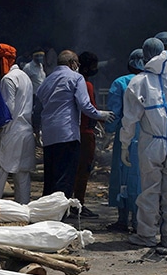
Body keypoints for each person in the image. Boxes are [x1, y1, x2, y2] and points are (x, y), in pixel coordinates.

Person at [116, 37, 167, 249]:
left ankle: (147, 235)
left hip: (151, 144)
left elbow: (130, 119)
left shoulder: (139, 82)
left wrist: (124, 144)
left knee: (149, 191)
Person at [34, 50, 114, 199]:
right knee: (65, 178)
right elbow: (84, 105)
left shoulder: (48, 79)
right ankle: (60, 214)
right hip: (67, 134)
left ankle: (46, 212)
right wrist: (101, 114)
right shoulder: (76, 78)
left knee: (50, 177)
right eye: (76, 63)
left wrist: (37, 128)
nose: (78, 66)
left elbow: (38, 106)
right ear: (72, 63)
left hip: (49, 135)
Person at [0, 43, 34, 205]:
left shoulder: (8, 79)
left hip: (11, 133)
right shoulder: (25, 77)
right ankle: (23, 212)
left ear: (2, 61)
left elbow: (7, 111)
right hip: (26, 132)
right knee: (22, 176)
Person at [106, 49, 145, 231]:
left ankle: (123, 220)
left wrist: (108, 130)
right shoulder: (152, 83)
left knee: (122, 175)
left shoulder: (120, 83)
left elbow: (115, 113)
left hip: (125, 135)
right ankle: (140, 221)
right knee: (141, 178)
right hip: (147, 136)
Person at [71, 51, 101, 216]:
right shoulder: (86, 84)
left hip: (75, 131)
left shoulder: (74, 81)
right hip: (85, 131)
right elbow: (91, 108)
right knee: (83, 169)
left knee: (75, 168)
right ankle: (78, 204)